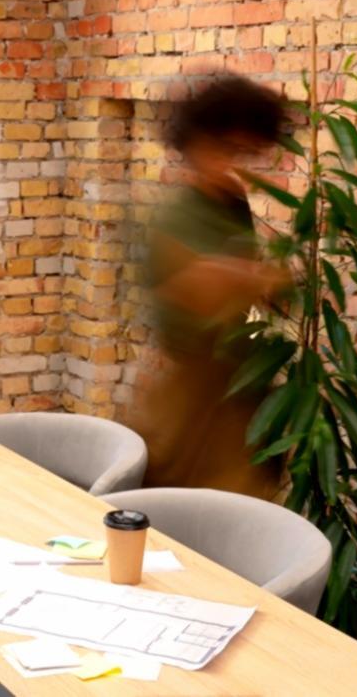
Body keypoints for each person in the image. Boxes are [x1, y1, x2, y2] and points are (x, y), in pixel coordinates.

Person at [131, 75, 292, 499]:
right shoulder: (174, 219)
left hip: (244, 393)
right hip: (194, 404)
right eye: (227, 150)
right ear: (196, 145)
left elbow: (250, 284)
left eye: (248, 153)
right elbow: (203, 289)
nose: (237, 164)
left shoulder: (234, 202)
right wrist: (261, 277)